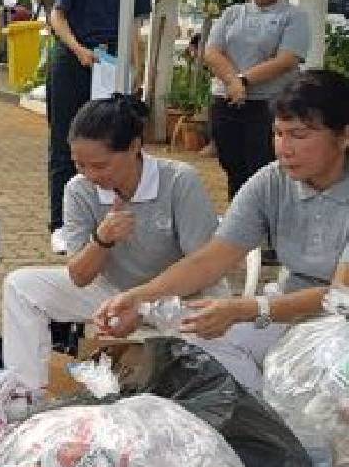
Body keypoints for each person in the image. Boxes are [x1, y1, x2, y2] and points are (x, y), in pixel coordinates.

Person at [97, 70, 349, 393]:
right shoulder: (272, 181)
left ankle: (277, 420)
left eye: (299, 135)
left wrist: (249, 308)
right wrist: (137, 297)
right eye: (278, 134)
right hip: (288, 307)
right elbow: (210, 260)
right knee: (197, 345)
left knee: (318, 386)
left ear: (343, 137)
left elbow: (340, 297)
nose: (284, 148)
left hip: (336, 325)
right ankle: (265, 422)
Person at [2, 95, 220, 394]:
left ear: (134, 147)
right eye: (80, 165)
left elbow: (203, 267)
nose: (91, 176)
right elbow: (79, 276)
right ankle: (24, 394)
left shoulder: (180, 181)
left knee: (208, 350)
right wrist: (101, 240)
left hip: (180, 297)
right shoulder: (79, 190)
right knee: (21, 286)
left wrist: (142, 306)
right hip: (113, 292)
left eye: (100, 165)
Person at [46, 0, 152, 256]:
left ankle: (112, 216)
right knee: (67, 141)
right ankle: (60, 224)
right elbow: (57, 16)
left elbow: (135, 25)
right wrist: (79, 50)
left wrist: (139, 70)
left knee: (113, 142)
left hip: (114, 66)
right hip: (77, 62)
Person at [205, 0, 311, 198]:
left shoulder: (294, 17)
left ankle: (267, 227)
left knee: (263, 169)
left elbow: (286, 59)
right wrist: (234, 82)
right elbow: (212, 52)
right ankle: (239, 223)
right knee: (233, 166)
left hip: (269, 105)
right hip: (228, 101)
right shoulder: (232, 13)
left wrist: (243, 81)